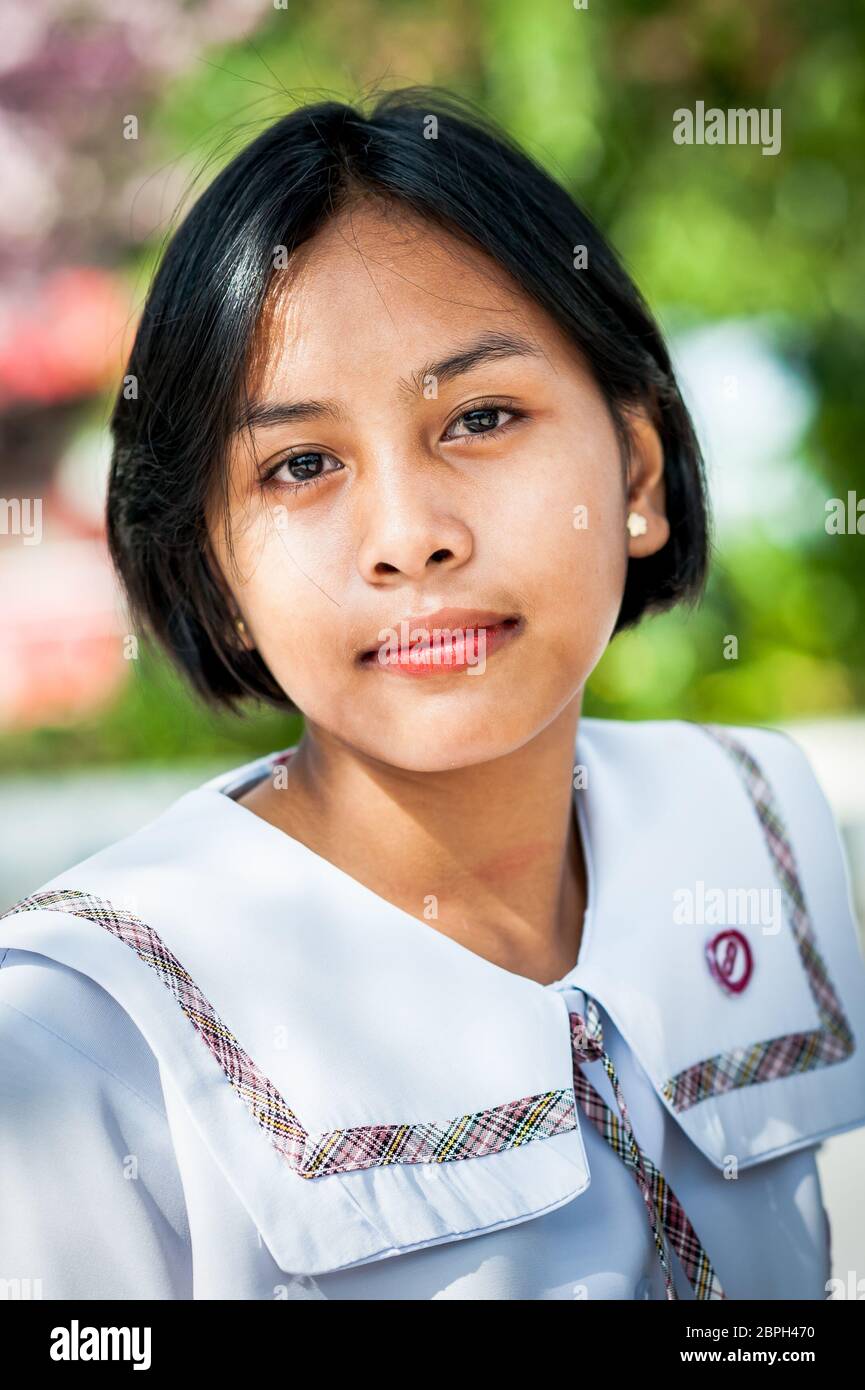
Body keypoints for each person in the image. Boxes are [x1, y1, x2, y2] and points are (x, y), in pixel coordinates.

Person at [1, 88, 864, 1302]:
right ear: (214, 570)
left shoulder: (748, 820)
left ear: (637, 470)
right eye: (301, 465)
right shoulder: (75, 1036)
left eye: (480, 417)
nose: (410, 537)